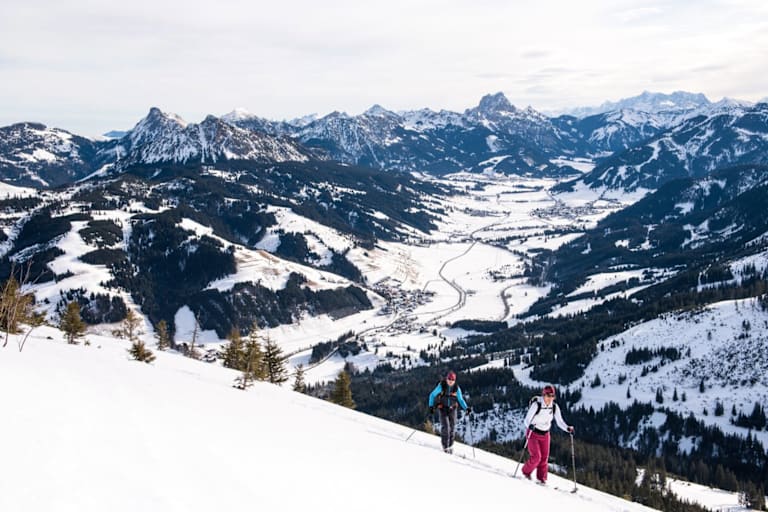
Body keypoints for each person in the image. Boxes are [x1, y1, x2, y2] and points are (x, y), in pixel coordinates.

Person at [521, 384, 574, 484]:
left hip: (545, 435)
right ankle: (526, 472)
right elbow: (526, 420)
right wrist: (530, 426)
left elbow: (560, 421)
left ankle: (542, 479)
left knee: (544, 459)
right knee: (536, 457)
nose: (550, 398)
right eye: (548, 396)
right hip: (533, 433)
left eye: (552, 396)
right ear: (543, 395)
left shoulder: (554, 407)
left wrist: (567, 428)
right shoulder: (536, 405)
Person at [428, 370, 471, 453]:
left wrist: (466, 408)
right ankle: (445, 446)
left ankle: (450, 446)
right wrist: (431, 406)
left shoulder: (456, 388)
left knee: (452, 427)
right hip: (443, 408)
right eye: (449, 379)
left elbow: (461, 400)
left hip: (453, 409)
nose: (450, 381)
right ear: (446, 379)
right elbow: (432, 395)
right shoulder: (441, 386)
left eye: (452, 379)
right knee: (446, 427)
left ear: (455, 380)